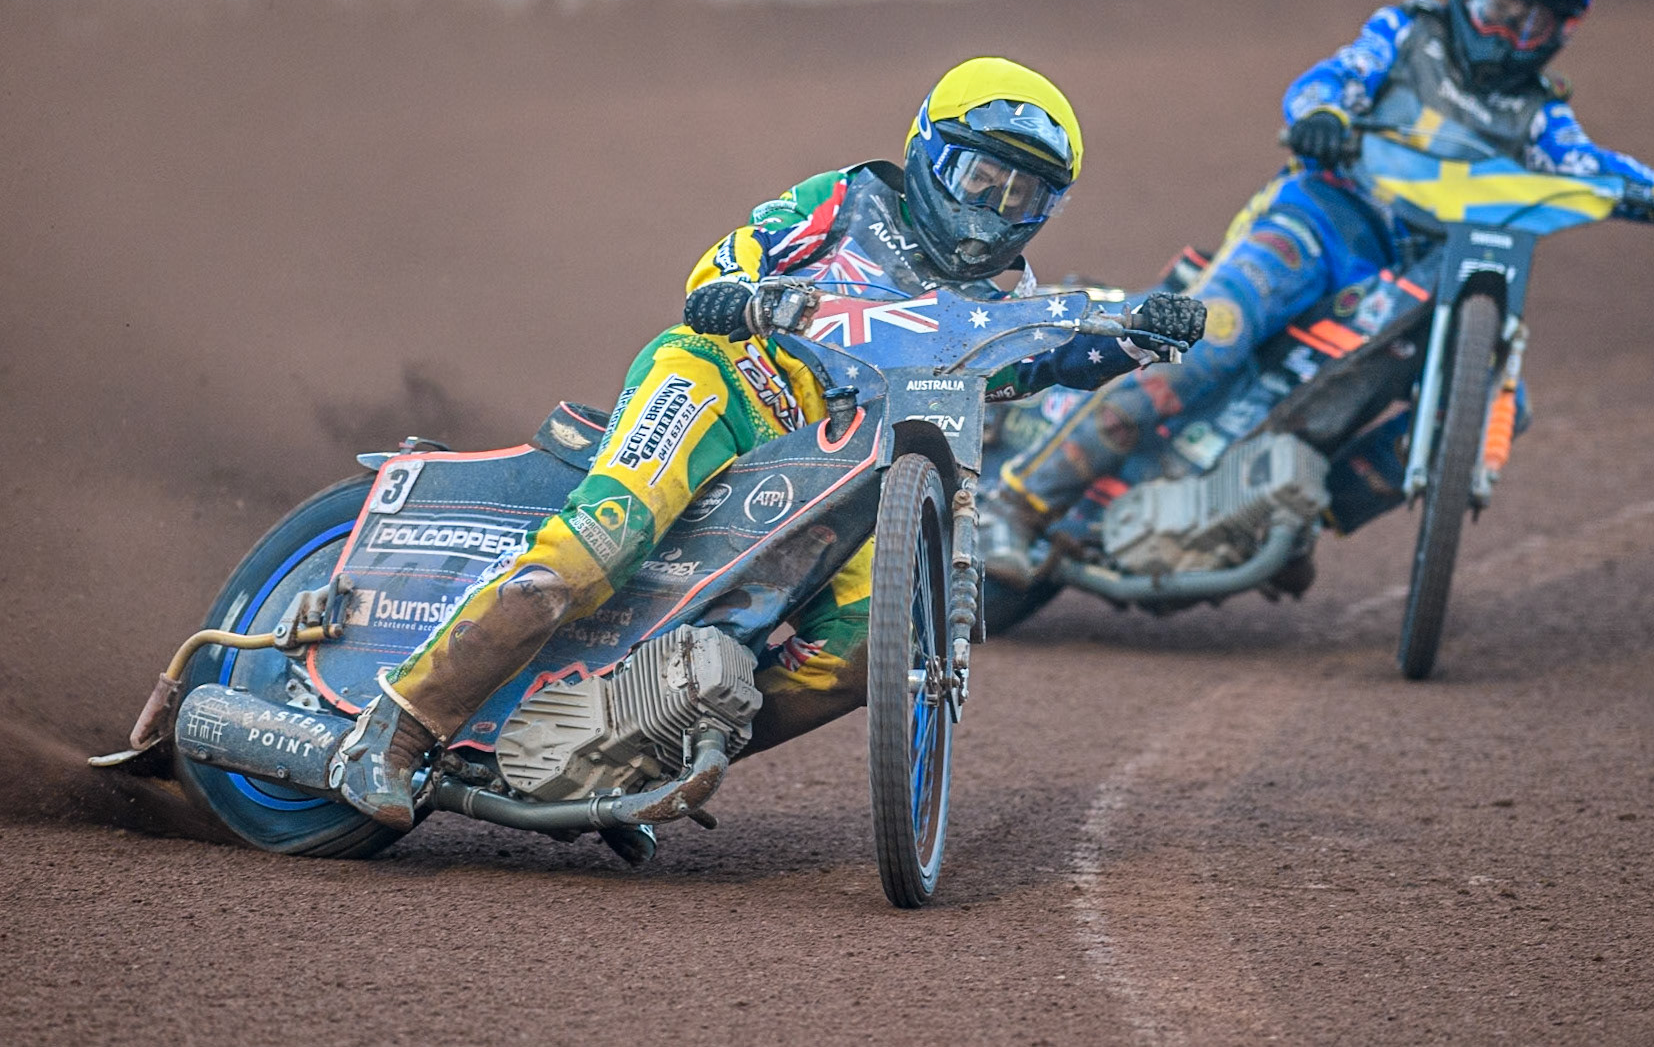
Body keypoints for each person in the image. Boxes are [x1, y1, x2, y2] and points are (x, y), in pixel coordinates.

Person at [329, 56, 1207, 830]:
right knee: (595, 549)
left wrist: (1141, 334)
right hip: (726, 382)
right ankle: (393, 732)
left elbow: (1050, 358)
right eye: (982, 178)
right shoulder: (848, 199)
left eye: (1022, 196)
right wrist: (745, 295)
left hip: (840, 458)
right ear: (929, 153)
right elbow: (726, 262)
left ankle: (639, 752)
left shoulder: (1002, 306)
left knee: (869, 646)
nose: (995, 210)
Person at [985, 0, 1654, 587]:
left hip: (1416, 272)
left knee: (1503, 405)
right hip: (1318, 222)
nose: (1508, 35)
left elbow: (1588, 166)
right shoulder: (1409, 35)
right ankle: (1017, 505)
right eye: (1500, 9)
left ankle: (1288, 520)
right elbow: (1335, 78)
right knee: (1209, 339)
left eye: (1532, 24)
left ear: (1561, 33)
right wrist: (1324, 115)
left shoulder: (1538, 115)